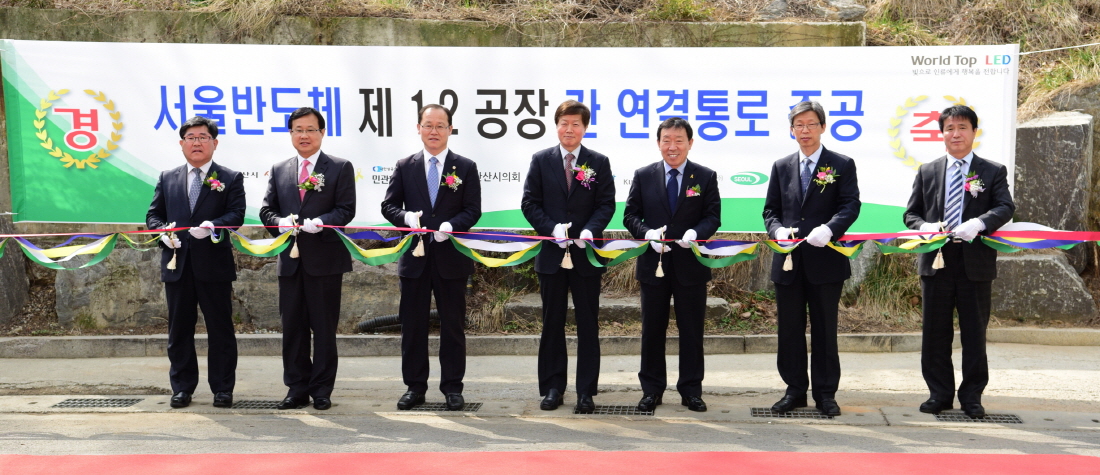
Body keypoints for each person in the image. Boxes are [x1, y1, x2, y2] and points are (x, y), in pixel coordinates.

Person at [903, 105, 1015, 418]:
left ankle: (972, 397)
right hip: (936, 262)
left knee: (974, 334)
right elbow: (911, 214)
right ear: (942, 134)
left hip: (975, 264)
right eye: (950, 128)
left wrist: (979, 223)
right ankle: (939, 394)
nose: (956, 134)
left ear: (973, 132)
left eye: (963, 127)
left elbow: (1005, 207)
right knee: (935, 333)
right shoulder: (928, 171)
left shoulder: (992, 170)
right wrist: (924, 227)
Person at [762, 100, 861, 417]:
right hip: (789, 262)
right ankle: (794, 390)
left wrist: (830, 230)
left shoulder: (841, 164)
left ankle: (825, 393)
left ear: (822, 126)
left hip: (825, 261)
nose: (804, 130)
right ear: (791, 130)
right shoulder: (781, 166)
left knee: (824, 329)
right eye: (798, 125)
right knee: (789, 330)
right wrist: (776, 230)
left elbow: (850, 206)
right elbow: (770, 211)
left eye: (810, 124)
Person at [381, 104, 482, 411]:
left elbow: (472, 209)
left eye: (440, 126)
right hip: (415, 257)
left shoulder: (464, 167)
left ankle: (452, 387)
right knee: (412, 325)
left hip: (451, 257)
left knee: (452, 324)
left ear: (450, 129)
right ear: (419, 128)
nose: (434, 131)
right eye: (428, 125)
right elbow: (388, 207)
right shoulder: (405, 165)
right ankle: (415, 386)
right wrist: (405, 216)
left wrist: (453, 226)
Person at [520, 100, 616, 413]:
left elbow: (606, 204)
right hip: (552, 254)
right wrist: (551, 228)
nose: (569, 129)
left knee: (588, 323)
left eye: (576, 124)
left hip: (586, 255)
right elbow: (530, 203)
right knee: (552, 322)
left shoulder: (598, 162)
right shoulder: (541, 160)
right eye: (564, 123)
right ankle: (552, 388)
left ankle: (586, 392)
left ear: (584, 128)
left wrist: (590, 230)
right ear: (556, 125)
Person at [259, 107, 356, 411]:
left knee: (324, 328)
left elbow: (346, 210)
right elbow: (266, 211)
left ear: (321, 133)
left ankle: (322, 389)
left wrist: (322, 221)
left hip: (325, 260)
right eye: (298, 130)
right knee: (293, 327)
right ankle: (296, 388)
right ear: (291, 134)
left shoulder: (339, 167)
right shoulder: (279, 169)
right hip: (290, 260)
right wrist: (278, 222)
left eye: (310, 129)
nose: (304, 135)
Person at [146, 115, 245, 409]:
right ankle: (182, 387)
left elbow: (236, 216)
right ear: (181, 144)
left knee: (220, 329)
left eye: (203, 137)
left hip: (213, 266)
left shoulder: (229, 178)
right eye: (191, 137)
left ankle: (223, 389)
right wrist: (162, 233)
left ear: (214, 143)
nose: (197, 142)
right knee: (179, 330)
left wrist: (213, 225)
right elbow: (153, 216)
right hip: (177, 263)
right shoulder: (167, 177)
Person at [623, 117, 720, 413]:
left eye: (679, 140)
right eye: (667, 140)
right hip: (654, 265)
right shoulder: (643, 175)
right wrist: (646, 234)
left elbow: (713, 216)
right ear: (658, 143)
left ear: (690, 143)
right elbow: (630, 216)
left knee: (692, 331)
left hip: (690, 264)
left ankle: (691, 390)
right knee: (653, 330)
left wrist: (696, 234)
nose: (672, 146)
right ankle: (651, 390)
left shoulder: (705, 176)